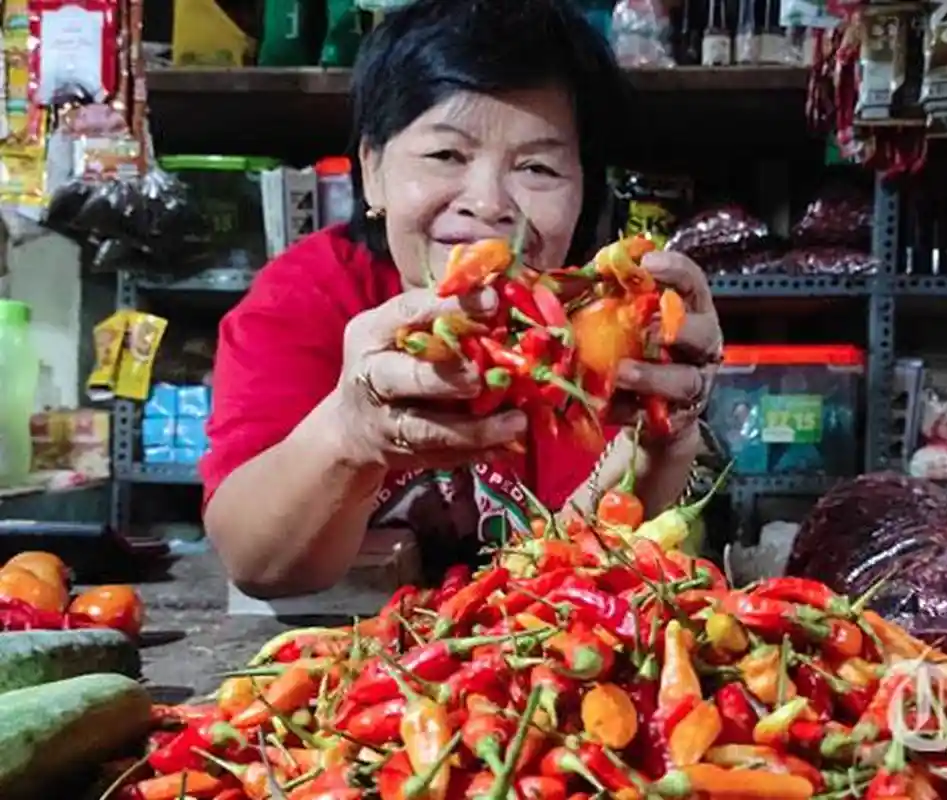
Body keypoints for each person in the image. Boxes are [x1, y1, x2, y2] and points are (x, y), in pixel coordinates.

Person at [200, 0, 725, 600]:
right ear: (372, 170)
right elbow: (256, 562)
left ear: (584, 190)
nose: (488, 201)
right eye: (446, 155)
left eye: (539, 168)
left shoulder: (605, 324)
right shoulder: (307, 298)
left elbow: (582, 555)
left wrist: (664, 434)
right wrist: (350, 433)